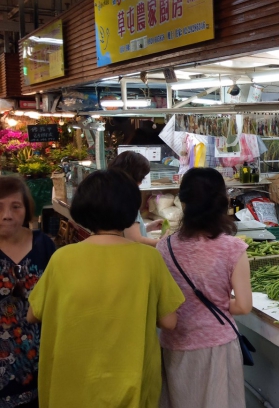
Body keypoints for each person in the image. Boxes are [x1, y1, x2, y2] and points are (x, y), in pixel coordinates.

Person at [26, 170, 185, 408]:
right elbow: (169, 321)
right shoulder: (148, 259)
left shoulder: (63, 258)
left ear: (82, 209)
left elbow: (33, 314)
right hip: (131, 384)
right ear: (130, 209)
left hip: (71, 387)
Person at [155, 168, 252, 408]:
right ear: (222, 201)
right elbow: (243, 305)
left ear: (183, 202)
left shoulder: (164, 247)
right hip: (217, 347)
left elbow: (163, 303)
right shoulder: (233, 248)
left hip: (175, 346)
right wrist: (219, 301)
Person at [0, 177, 56, 408]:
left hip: (39, 354)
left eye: (16, 206)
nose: (7, 215)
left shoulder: (44, 245)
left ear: (26, 209)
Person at [108, 151, 163, 246]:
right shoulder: (128, 200)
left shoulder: (112, 195)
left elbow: (126, 232)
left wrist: (147, 227)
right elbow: (135, 239)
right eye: (141, 178)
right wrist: (162, 243)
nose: (141, 183)